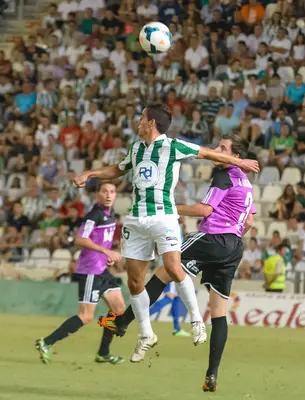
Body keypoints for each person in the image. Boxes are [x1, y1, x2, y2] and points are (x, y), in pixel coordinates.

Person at [73, 104, 260, 363]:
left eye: (141, 117)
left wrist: (240, 162)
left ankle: (196, 320)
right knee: (135, 281)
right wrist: (91, 173)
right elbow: (117, 169)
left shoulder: (173, 146)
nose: (137, 121)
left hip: (164, 216)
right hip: (137, 219)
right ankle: (146, 334)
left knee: (172, 266)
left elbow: (206, 153)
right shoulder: (136, 148)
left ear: (151, 123)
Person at [98, 134, 255, 392]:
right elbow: (248, 222)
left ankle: (123, 321)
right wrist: (229, 243)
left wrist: (169, 207)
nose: (217, 150)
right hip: (235, 246)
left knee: (164, 272)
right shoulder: (245, 182)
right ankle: (211, 375)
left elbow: (206, 210)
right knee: (219, 314)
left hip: (213, 239)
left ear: (235, 157)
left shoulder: (223, 176)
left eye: (223, 148)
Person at [35, 182, 126, 365]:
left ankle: (103, 352)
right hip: (90, 270)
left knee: (119, 310)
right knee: (85, 316)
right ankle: (46, 342)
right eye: (104, 191)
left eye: (112, 191)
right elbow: (80, 239)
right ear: (97, 195)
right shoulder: (94, 215)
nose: (109, 195)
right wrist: (106, 252)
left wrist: (106, 256)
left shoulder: (110, 215)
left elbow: (102, 241)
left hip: (102, 270)